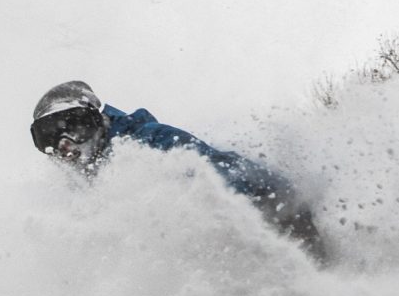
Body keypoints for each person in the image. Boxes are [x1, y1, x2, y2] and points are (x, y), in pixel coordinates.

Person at [28, 80, 328, 263]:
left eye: (76, 127)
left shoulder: (148, 142)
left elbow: (216, 180)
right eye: (49, 138)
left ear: (98, 121)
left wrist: (232, 234)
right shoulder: (88, 187)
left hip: (277, 210)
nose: (66, 145)